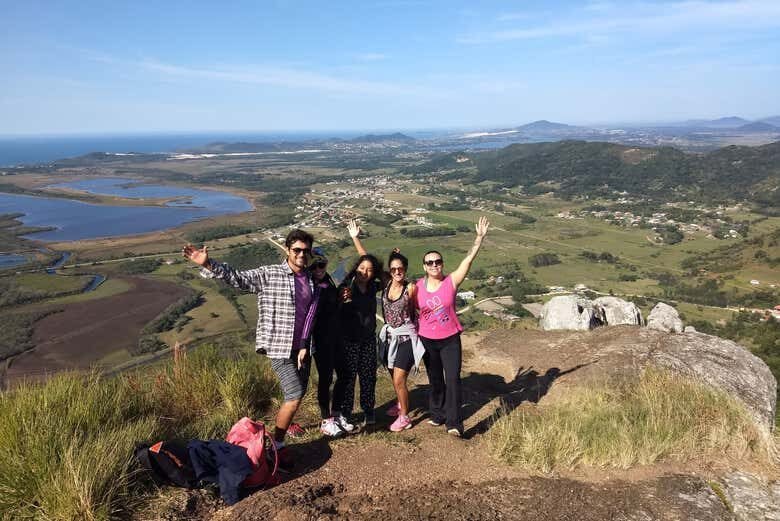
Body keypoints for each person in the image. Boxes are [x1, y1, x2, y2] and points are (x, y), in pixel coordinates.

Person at [182, 229, 319, 468]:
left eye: (306, 251)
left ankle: (286, 425)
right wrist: (209, 264)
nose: (301, 254)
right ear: (287, 249)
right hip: (279, 346)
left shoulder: (310, 278)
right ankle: (277, 445)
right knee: (295, 395)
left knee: (296, 394)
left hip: (303, 348)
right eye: (296, 250)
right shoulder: (270, 274)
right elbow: (239, 278)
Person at [347, 220, 425, 432]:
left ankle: (404, 416)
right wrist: (355, 237)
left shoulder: (411, 288)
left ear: (405, 269)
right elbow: (367, 263)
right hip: (390, 336)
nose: (397, 271)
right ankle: (402, 401)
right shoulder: (387, 281)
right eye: (394, 268)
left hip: (407, 336)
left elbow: (422, 308)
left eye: (401, 268)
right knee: (392, 374)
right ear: (389, 271)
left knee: (399, 377)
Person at [415, 216, 489, 437]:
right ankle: (437, 414)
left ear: (442, 264)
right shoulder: (417, 287)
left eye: (437, 261)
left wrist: (479, 239)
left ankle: (454, 422)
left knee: (453, 379)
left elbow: (468, 261)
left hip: (450, 340)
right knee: (435, 379)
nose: (434, 265)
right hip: (427, 340)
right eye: (430, 262)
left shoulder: (451, 282)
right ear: (424, 267)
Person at [331, 248, 382, 428]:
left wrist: (392, 258)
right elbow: (334, 310)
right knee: (348, 378)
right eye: (361, 268)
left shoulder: (373, 286)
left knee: (368, 376)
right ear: (355, 268)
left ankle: (368, 409)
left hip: (367, 340)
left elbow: (386, 276)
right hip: (348, 341)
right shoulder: (346, 286)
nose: (364, 272)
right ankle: (346, 412)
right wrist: (340, 299)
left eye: (369, 269)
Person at [308, 247, 348, 437]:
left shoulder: (327, 281)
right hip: (321, 340)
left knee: (345, 375)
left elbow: (331, 309)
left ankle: (337, 414)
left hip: (337, 336)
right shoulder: (311, 286)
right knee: (326, 379)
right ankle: (326, 420)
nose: (318, 269)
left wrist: (340, 299)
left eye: (321, 265)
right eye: (313, 267)